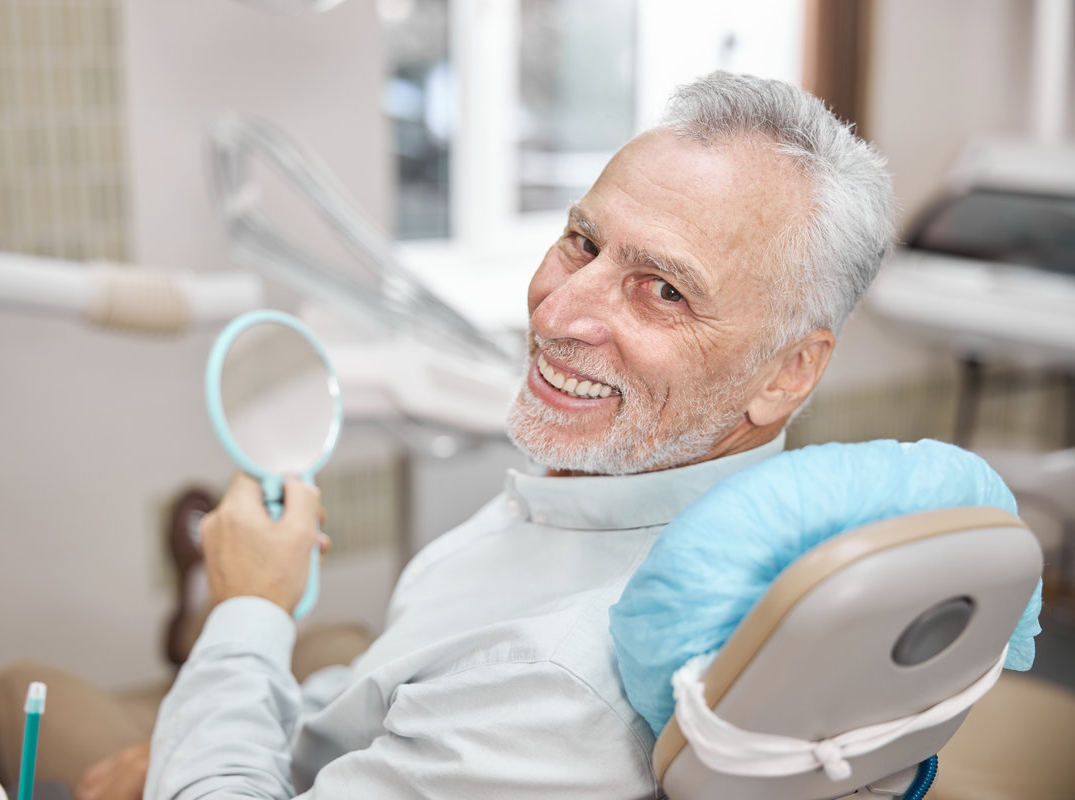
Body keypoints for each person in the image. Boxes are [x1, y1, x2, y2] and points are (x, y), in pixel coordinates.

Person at [141, 70, 895, 800]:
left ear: (788, 374)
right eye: (582, 240)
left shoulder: (561, 682)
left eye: (664, 290)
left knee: (21, 691)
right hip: (350, 734)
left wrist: (246, 610)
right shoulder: (641, 486)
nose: (556, 314)